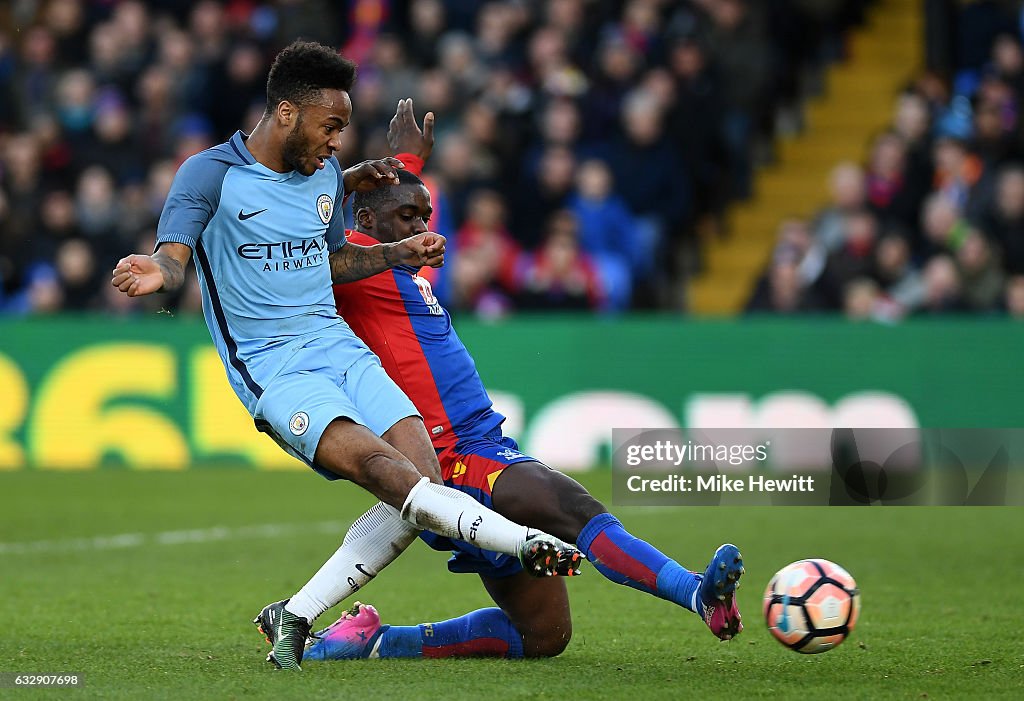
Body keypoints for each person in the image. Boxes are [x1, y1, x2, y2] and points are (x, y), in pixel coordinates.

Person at [109, 41, 581, 671]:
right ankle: (528, 545)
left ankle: (296, 614)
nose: (337, 142)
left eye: (343, 129)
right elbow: (173, 256)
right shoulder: (209, 174)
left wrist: (396, 254)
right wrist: (157, 274)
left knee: (423, 488)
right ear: (285, 113)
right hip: (277, 368)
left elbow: (330, 262)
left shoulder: (324, 179)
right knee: (388, 475)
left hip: (342, 350)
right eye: (330, 126)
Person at [304, 99, 744, 662]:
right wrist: (368, 178)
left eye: (425, 217)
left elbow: (388, 200)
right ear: (364, 224)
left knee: (542, 636)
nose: (422, 229)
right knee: (566, 502)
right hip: (447, 456)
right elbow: (312, 226)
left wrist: (406, 159)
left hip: (485, 443)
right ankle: (697, 593)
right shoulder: (357, 260)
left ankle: (374, 642)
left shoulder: (395, 257)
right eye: (409, 220)